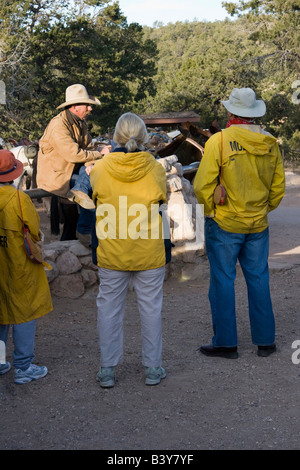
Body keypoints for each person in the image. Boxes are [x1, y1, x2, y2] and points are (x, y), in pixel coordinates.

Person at [193, 87, 285, 359]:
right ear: (253, 113)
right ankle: (265, 342)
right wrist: (262, 209)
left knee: (222, 281)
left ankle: (226, 343)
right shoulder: (270, 143)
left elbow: (201, 186)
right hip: (257, 225)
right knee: (258, 279)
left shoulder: (219, 142)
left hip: (225, 224)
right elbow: (278, 187)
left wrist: (211, 211)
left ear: (231, 112)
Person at [90, 112, 168, 387]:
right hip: (149, 250)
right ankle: (153, 368)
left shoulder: (100, 168)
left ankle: (108, 370)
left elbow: (95, 202)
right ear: (144, 137)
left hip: (112, 249)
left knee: (109, 310)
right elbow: (162, 205)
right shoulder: (156, 168)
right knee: (151, 309)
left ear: (115, 136)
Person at [0, 150, 53, 384]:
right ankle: (23, 367)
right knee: (25, 311)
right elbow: (33, 228)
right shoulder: (19, 199)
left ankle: (1, 362)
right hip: (18, 264)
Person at [37, 83, 110, 245]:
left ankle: (83, 226)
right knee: (96, 188)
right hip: (58, 176)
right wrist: (100, 154)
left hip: (72, 170)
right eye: (87, 105)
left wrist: (91, 163)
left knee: (97, 178)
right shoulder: (58, 125)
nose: (90, 109)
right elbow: (73, 154)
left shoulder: (80, 123)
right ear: (75, 106)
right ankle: (85, 230)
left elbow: (88, 147)